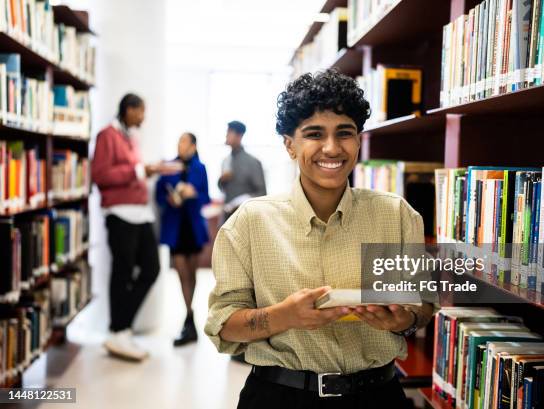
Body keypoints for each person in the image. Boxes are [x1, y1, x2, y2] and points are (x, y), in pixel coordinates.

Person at [205, 70, 435, 408]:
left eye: (345, 133)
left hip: (378, 396)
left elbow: (423, 306)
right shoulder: (250, 223)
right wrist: (285, 316)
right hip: (279, 397)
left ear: (358, 140)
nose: (332, 147)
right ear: (290, 145)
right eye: (315, 134)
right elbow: (222, 325)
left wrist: (405, 318)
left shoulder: (397, 216)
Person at [91, 93, 180, 362]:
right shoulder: (107, 135)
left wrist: (148, 170)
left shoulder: (130, 137)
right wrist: (140, 171)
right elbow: (101, 175)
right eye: (140, 111)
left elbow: (132, 170)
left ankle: (120, 327)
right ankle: (119, 330)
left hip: (140, 214)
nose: (143, 117)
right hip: (120, 214)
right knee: (123, 272)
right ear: (128, 110)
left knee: (151, 268)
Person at [155, 132, 211, 346]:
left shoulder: (200, 167)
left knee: (192, 274)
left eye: (184, 142)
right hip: (176, 227)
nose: (180, 145)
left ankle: (189, 319)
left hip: (194, 227)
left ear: (194, 146)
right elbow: (159, 196)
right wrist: (169, 198)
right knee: (181, 273)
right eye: (178, 141)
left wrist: (193, 193)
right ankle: (189, 315)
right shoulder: (169, 166)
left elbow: (205, 196)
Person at [218, 120, 266, 222]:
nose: (226, 135)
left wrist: (242, 201)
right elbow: (223, 190)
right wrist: (221, 180)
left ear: (239, 135)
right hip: (226, 218)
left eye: (229, 132)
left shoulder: (253, 162)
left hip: (245, 219)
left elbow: (262, 193)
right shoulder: (225, 161)